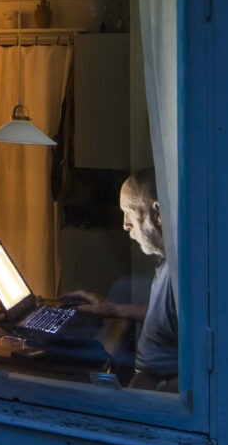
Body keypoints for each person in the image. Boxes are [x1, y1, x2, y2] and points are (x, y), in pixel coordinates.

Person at [65, 168, 178, 392]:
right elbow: (168, 318)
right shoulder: (168, 260)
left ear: (159, 212)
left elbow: (209, 373)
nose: (125, 225)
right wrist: (113, 308)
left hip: (156, 390)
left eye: (129, 212)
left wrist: (158, 389)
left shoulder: (182, 274)